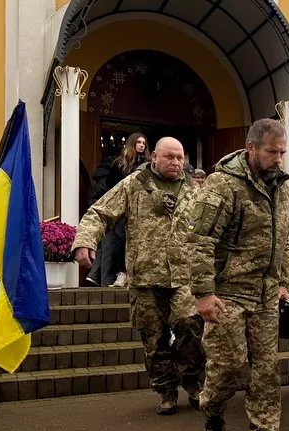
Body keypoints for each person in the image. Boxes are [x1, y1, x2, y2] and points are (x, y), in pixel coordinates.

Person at [187, 118, 289, 431]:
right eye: (271, 152)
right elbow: (200, 241)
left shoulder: (282, 189)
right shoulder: (223, 185)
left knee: (265, 369)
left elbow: (284, 239)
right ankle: (212, 410)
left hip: (264, 296)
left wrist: (282, 280)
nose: (278, 159)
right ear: (251, 149)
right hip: (228, 294)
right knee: (229, 367)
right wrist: (203, 294)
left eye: (282, 152)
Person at [72, 137, 205, 415]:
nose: (176, 163)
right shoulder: (134, 185)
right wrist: (85, 240)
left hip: (184, 277)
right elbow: (100, 212)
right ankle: (166, 390)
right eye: (170, 157)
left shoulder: (194, 191)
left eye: (180, 158)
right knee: (153, 340)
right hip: (145, 278)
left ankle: (194, 383)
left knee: (190, 328)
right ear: (154, 156)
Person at [86, 133, 149, 287]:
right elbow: (112, 188)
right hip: (122, 210)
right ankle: (120, 274)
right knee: (119, 242)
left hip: (141, 211)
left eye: (144, 143)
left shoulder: (148, 165)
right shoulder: (119, 164)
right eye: (138, 142)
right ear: (132, 144)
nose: (142, 145)